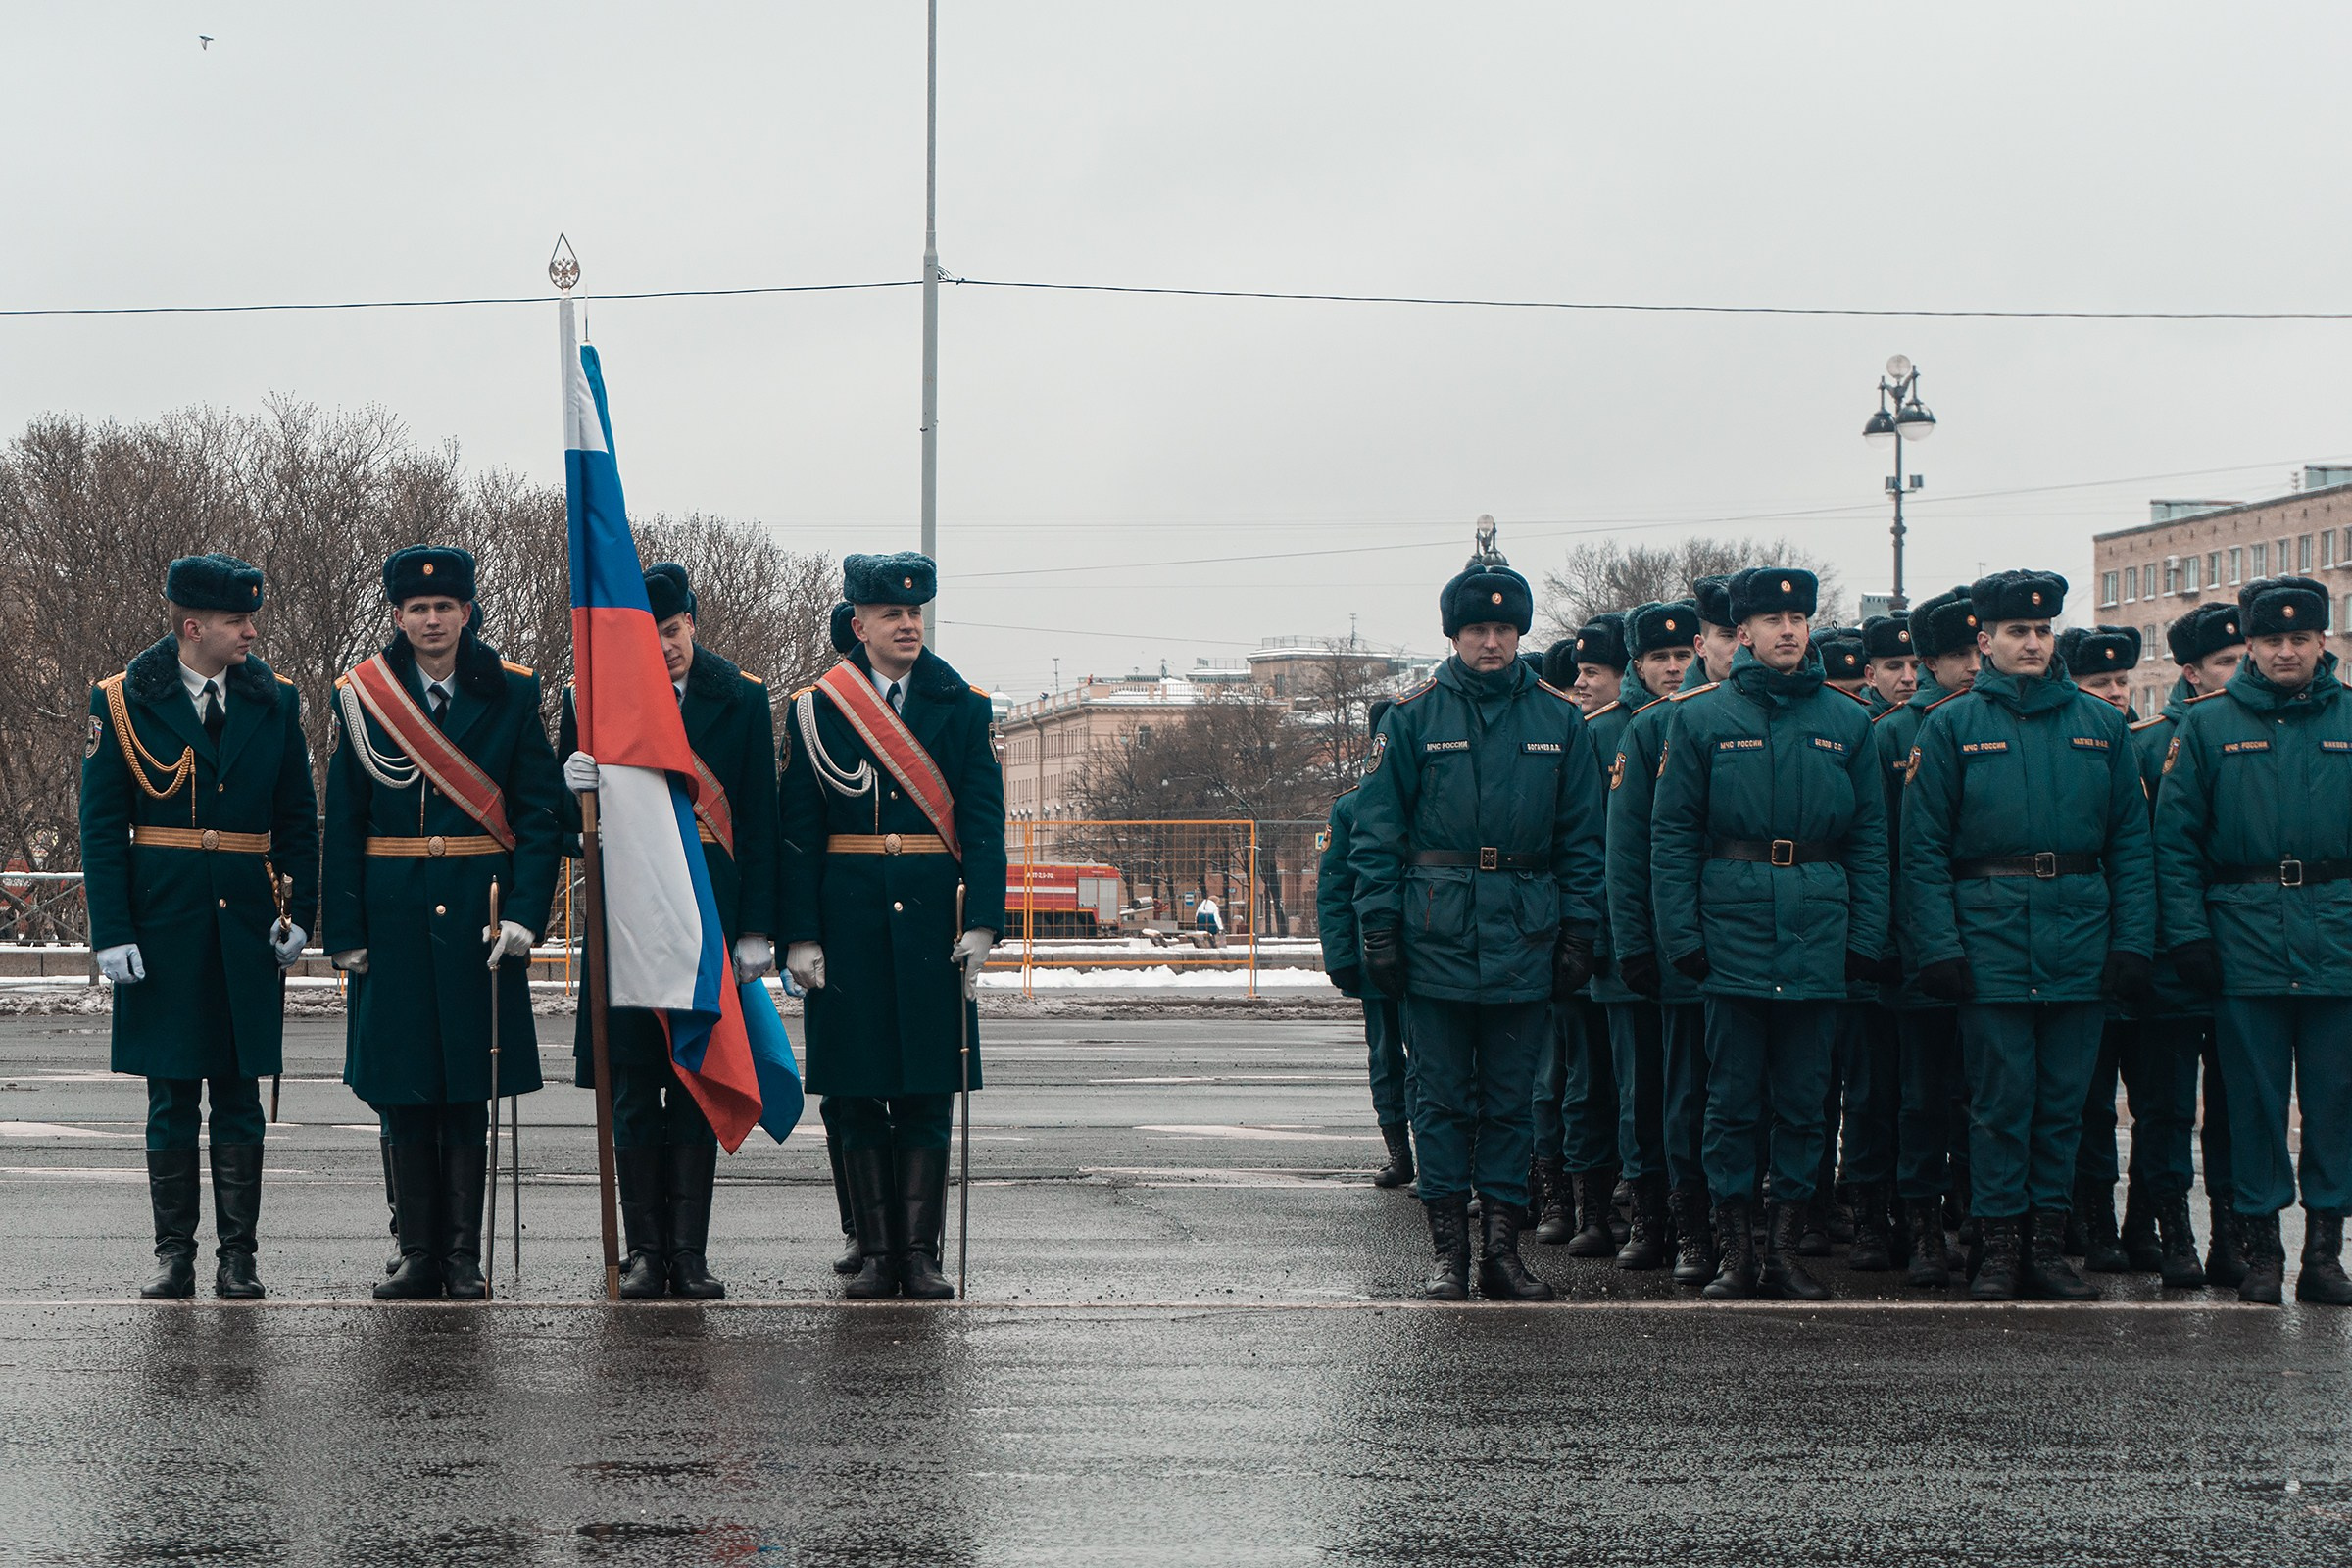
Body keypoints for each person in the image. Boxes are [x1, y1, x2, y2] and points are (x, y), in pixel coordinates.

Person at [1349, 541, 1605, 1301]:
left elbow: (1583, 840)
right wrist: (1379, 928)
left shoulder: (1560, 724)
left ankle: (1501, 1251)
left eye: (1503, 631)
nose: (1490, 642)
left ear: (1521, 634)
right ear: (1453, 636)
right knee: (1439, 1099)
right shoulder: (1414, 719)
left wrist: (1580, 931)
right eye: (1474, 631)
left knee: (1510, 1099)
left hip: (1526, 933)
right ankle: (1447, 1256)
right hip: (1436, 935)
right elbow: (1376, 836)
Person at [1901, 571, 2155, 1301]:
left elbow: (2132, 850)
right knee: (1998, 1105)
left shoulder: (2101, 728)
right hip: (1989, 944)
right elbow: (1922, 853)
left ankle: (2047, 1248)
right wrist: (1940, 949)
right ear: (1985, 641)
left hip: (2079, 939)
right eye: (2018, 632)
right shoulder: (1949, 727)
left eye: (2043, 632)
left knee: (2064, 1105)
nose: (2033, 643)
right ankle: (1998, 1248)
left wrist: (2132, 944)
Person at [321, 546, 564, 1300]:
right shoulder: (363, 695)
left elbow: (538, 813)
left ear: (467, 613)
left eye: (445, 607)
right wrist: (347, 930)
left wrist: (528, 913)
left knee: (465, 1086)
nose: (432, 620)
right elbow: (346, 820)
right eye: (418, 609)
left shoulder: (514, 693)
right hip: (391, 911)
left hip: (479, 916)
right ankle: (416, 1250)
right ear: (397, 616)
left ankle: (462, 1255)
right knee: (401, 1088)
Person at [79, 555, 317, 1299]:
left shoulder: (274, 700)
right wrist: (112, 931)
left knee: (240, 1092)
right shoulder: (120, 702)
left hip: (247, 921)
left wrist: (301, 913)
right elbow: (103, 827)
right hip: (164, 924)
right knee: (172, 1093)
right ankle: (173, 1255)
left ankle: (238, 1257)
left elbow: (297, 819)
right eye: (236, 621)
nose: (251, 631)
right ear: (193, 627)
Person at [1651, 566, 1889, 1300]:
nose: (1788, 630)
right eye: (1772, 619)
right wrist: (1681, 937)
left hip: (1818, 931)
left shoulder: (1849, 722)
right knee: (1730, 1104)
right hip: (1733, 934)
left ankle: (1784, 1250)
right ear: (1742, 631)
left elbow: (1871, 841)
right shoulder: (1701, 719)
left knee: (1804, 1100)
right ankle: (1734, 1251)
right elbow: (1672, 838)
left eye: (1799, 617)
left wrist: (1865, 940)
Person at [778, 553, 1005, 1301]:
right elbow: (800, 831)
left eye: (915, 614)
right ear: (859, 624)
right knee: (857, 1085)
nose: (908, 625)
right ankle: (875, 1253)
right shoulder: (817, 707)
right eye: (891, 615)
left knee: (926, 1092)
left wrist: (982, 923)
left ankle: (920, 1251)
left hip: (930, 922)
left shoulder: (961, 706)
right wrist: (801, 934)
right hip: (847, 921)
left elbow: (983, 824)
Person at [556, 564, 779, 1299]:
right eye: (649, 635)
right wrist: (573, 792)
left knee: (693, 1079)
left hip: (706, 918)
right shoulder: (589, 702)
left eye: (674, 629)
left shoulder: (740, 700)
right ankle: (644, 1253)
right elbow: (567, 837)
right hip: (625, 920)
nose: (666, 645)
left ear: (692, 624)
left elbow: (759, 820)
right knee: (631, 1085)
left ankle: (689, 1252)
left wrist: (755, 931)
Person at [2154, 574, 2352, 1306]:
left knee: (2337, 1100)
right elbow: (2174, 846)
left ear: (2322, 641)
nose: (2286, 651)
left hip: (2338, 936)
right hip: (2242, 938)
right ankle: (2261, 1251)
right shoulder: (2206, 727)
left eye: (2300, 638)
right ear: (2252, 645)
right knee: (2254, 1103)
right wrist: (2189, 937)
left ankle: (2326, 1255)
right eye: (2271, 639)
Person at [2129, 602, 2249, 1288]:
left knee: (2234, 1102)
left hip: (2239, 949)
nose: (2238, 673)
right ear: (2191, 674)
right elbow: (2142, 854)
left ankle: (2231, 1233)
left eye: (2242, 659)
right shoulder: (2148, 744)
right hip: (2170, 956)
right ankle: (2172, 1229)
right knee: (2166, 1105)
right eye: (2224, 663)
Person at [2053, 623, 2176, 1278]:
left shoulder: (2154, 747)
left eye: (2122, 681)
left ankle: (2145, 1222)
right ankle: (2094, 1218)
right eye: (2099, 683)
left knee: (2157, 1101)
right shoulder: (2080, 750)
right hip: (2086, 952)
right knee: (2091, 1104)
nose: (2116, 694)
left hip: (2146, 955)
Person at [1874, 586, 1980, 1286]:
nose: (1971, 665)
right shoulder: (1890, 733)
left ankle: (1973, 1218)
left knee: (1979, 1095)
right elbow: (1880, 848)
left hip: (1986, 947)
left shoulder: (1982, 721)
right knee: (1915, 1098)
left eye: (1978, 650)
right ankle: (1917, 1227)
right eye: (1954, 655)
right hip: (1914, 952)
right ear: (1928, 661)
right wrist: (1886, 943)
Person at [1592, 602, 1694, 1269]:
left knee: (1691, 1091)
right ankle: (1646, 1214)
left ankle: (1690, 1216)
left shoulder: (1705, 721)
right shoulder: (1605, 734)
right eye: (1659, 657)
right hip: (1629, 940)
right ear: (1637, 664)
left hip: (1694, 944)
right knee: (1638, 1091)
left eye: (1682, 654)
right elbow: (1600, 848)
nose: (1673, 667)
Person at [1538, 616, 1629, 1254]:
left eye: (1593, 672)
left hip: (1621, 937)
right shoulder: (1580, 736)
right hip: (1580, 934)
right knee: (1574, 1079)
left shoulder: (1634, 731)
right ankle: (1572, 1200)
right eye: (1578, 674)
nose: (1581, 684)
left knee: (1601, 1082)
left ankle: (1598, 1203)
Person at [1318, 698, 1412, 1190]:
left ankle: (1440, 1155)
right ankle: (1399, 1150)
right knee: (1386, 1057)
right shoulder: (1352, 806)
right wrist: (1341, 958)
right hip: (1375, 956)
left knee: (1433, 1061)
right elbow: (1334, 891)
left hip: (1429, 953)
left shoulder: (1428, 797)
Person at [1862, 614, 1919, 717]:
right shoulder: (1856, 726)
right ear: (1871, 676)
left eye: (1917, 666)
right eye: (1894, 667)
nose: (1908, 678)